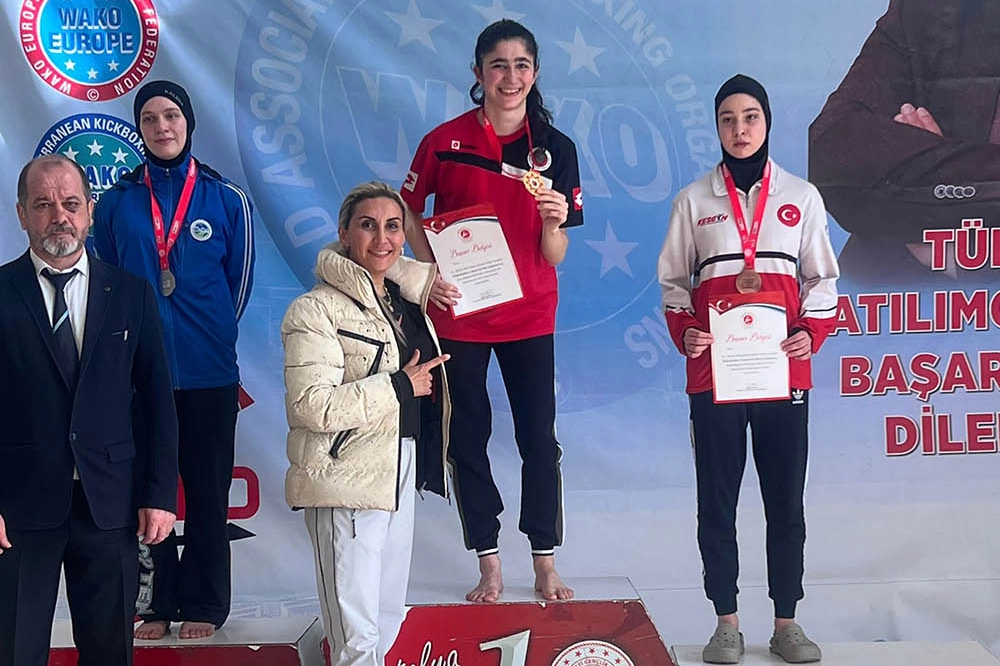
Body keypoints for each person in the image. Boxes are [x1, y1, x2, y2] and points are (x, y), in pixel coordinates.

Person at [400, 19, 584, 603]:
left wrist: (553, 223)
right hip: (461, 314)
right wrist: (430, 272)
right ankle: (488, 559)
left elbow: (555, 253)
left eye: (521, 65)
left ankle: (545, 559)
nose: (510, 76)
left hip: (529, 314)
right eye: (498, 65)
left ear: (536, 72)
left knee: (539, 438)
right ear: (478, 73)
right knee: (467, 437)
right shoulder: (444, 140)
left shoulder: (556, 149)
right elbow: (407, 208)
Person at [657, 75, 839, 664]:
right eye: (728, 119)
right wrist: (686, 332)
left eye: (751, 116)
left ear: (767, 122)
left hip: (782, 374)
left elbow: (822, 280)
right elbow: (673, 285)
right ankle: (726, 623)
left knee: (786, 501)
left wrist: (810, 333)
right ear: (716, 126)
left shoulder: (801, 197)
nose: (740, 129)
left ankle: (787, 622)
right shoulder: (694, 201)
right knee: (717, 501)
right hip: (715, 375)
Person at [93, 80, 256, 640]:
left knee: (208, 492)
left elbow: (237, 286)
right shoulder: (116, 203)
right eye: (150, 118)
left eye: (171, 116)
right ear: (138, 128)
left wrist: (208, 334)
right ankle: (157, 600)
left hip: (209, 372)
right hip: (139, 375)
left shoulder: (225, 198)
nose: (162, 127)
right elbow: (108, 283)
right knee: (148, 492)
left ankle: (205, 602)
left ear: (188, 122)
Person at [0, 155, 178, 666]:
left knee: (108, 653)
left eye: (71, 203)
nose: (59, 216)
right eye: (43, 204)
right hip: (20, 509)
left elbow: (157, 404)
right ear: (22, 214)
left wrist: (159, 494)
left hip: (110, 505)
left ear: (90, 210)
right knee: (15, 650)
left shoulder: (131, 294)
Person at [282, 181, 451, 666]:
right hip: (344, 478)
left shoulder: (401, 303)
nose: (383, 238)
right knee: (355, 636)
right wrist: (399, 386)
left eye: (393, 227)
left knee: (387, 618)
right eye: (368, 225)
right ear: (344, 233)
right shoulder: (315, 309)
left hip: (398, 464)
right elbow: (311, 406)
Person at [809, 0, 1000, 286]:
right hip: (887, 298)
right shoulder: (925, 11)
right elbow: (830, 149)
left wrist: (921, 171)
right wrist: (942, 181)